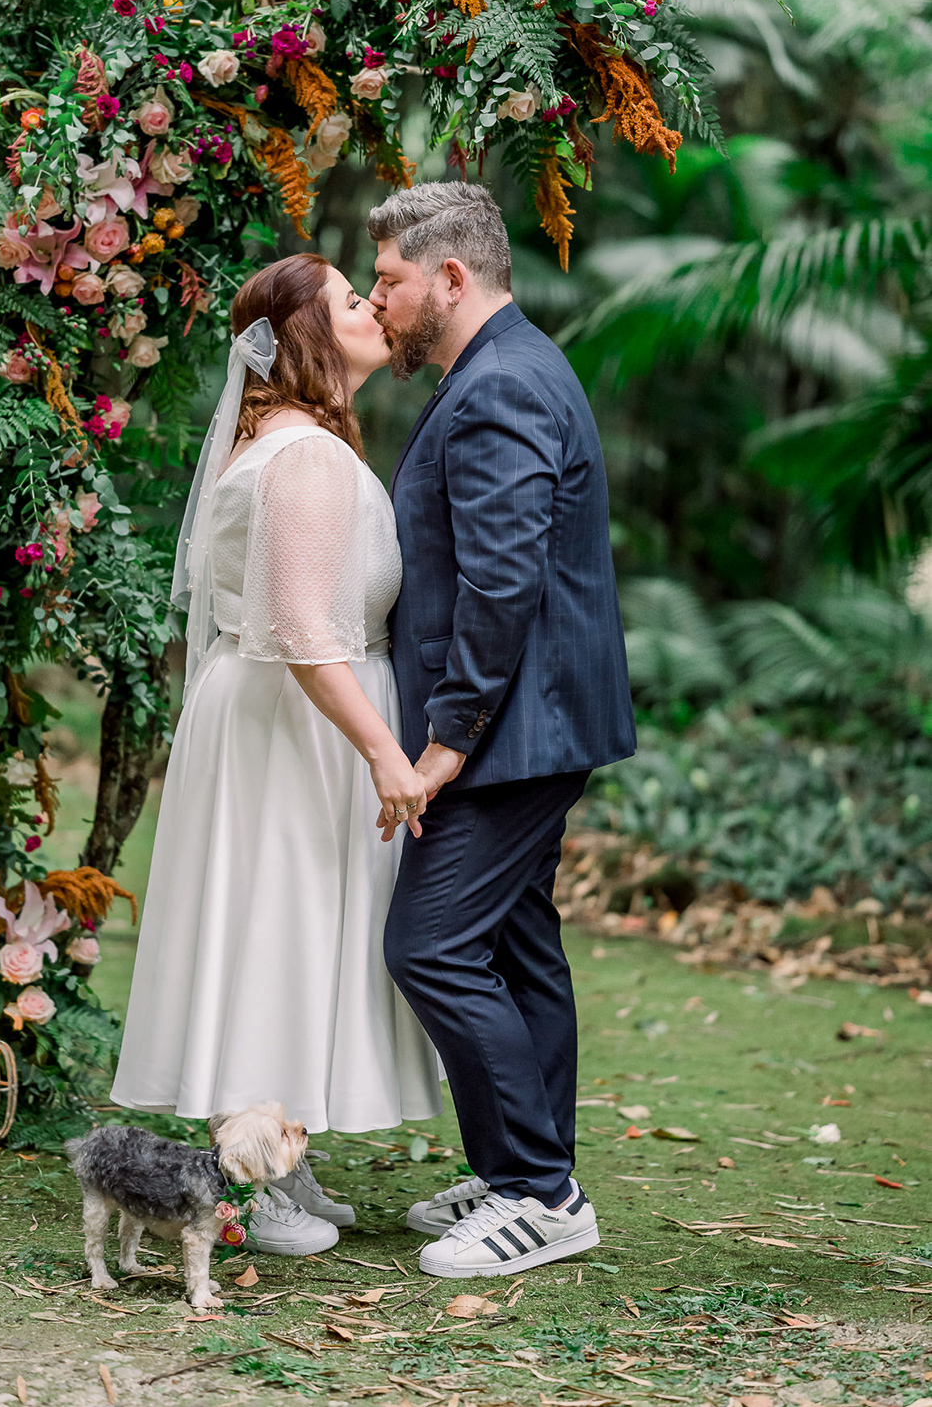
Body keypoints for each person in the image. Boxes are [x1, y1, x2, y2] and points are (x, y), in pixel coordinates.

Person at [111, 252, 442, 1256]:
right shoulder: (300, 455)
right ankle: (245, 1180)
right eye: (352, 300)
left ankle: (279, 1157)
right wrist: (386, 751)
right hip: (298, 717)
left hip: (279, 715)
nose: (373, 308)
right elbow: (301, 627)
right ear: (305, 335)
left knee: (279, 924)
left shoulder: (282, 442)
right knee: (276, 924)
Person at [368, 181, 636, 1279]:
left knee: (427, 946)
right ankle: (526, 1173)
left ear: (448, 277)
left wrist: (444, 740)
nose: (377, 300)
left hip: (509, 727)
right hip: (530, 724)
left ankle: (539, 1191)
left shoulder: (500, 388)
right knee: (516, 947)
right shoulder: (506, 366)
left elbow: (500, 583)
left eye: (386, 280)